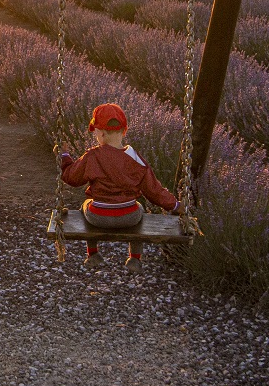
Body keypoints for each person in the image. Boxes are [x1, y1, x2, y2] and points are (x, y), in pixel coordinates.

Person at [58, 103, 179, 274]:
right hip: (129, 217)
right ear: (124, 131)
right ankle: (135, 258)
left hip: (98, 216)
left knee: (86, 204)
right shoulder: (136, 159)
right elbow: (154, 191)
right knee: (141, 209)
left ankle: (93, 254)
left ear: (100, 133)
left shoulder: (92, 156)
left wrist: (64, 156)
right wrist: (175, 205)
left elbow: (71, 177)